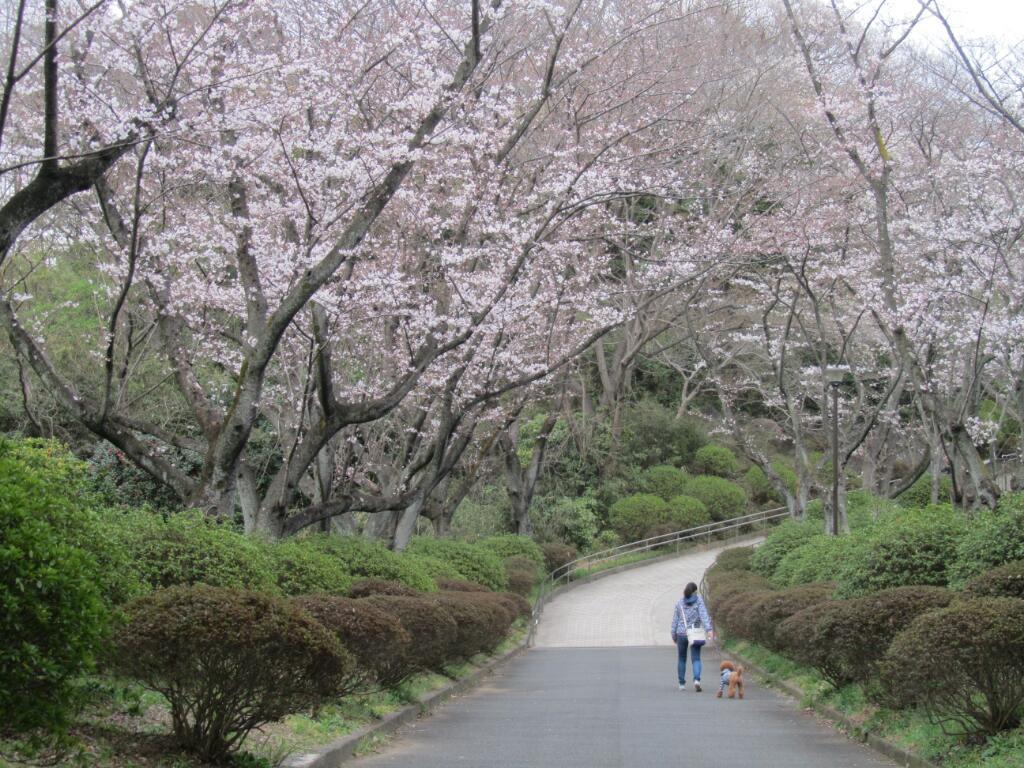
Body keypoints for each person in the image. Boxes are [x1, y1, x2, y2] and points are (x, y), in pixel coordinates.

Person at [670, 581, 714, 692]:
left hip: (681, 634)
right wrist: (709, 630)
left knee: (681, 658)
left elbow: (675, 620)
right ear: (695, 592)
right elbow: (704, 615)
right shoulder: (698, 601)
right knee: (696, 658)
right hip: (695, 633)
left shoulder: (679, 603)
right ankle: (697, 680)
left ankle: (681, 684)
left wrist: (673, 635)